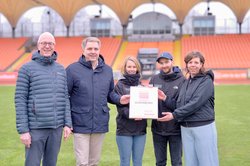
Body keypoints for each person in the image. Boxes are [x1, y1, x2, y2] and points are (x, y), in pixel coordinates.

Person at [66, 36, 129, 166]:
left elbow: (110, 94)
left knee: (94, 162)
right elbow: (65, 96)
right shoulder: (72, 70)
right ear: (83, 50)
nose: (93, 51)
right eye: (89, 48)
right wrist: (67, 122)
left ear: (99, 50)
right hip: (80, 123)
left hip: (99, 122)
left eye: (96, 48)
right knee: (82, 162)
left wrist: (120, 99)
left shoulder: (107, 70)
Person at [15, 32, 72, 166]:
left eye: (50, 43)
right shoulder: (26, 69)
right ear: (38, 45)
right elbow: (20, 100)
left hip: (56, 128)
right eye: (43, 43)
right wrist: (23, 130)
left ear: (54, 46)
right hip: (36, 128)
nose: (47, 46)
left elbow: (65, 98)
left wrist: (67, 124)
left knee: (51, 163)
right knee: (32, 163)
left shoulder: (61, 69)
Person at [158, 51, 219, 166]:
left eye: (196, 62)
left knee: (207, 162)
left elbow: (195, 103)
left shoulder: (206, 81)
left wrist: (174, 115)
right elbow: (180, 105)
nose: (193, 65)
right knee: (191, 163)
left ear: (201, 64)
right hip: (186, 128)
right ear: (186, 65)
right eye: (190, 62)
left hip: (203, 126)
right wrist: (165, 98)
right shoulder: (186, 82)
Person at [149, 52, 184, 166]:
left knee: (176, 162)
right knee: (160, 162)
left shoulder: (182, 80)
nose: (164, 65)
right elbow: (149, 103)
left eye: (166, 62)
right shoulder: (154, 79)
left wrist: (165, 98)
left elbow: (182, 107)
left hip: (176, 129)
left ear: (172, 62)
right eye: (161, 63)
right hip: (158, 129)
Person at [114, 56, 147, 166]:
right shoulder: (119, 85)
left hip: (140, 128)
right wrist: (132, 114)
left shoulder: (142, 86)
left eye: (134, 67)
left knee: (138, 162)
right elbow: (120, 107)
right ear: (125, 68)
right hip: (124, 129)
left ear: (137, 68)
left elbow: (146, 106)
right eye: (129, 66)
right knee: (125, 162)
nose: (132, 69)